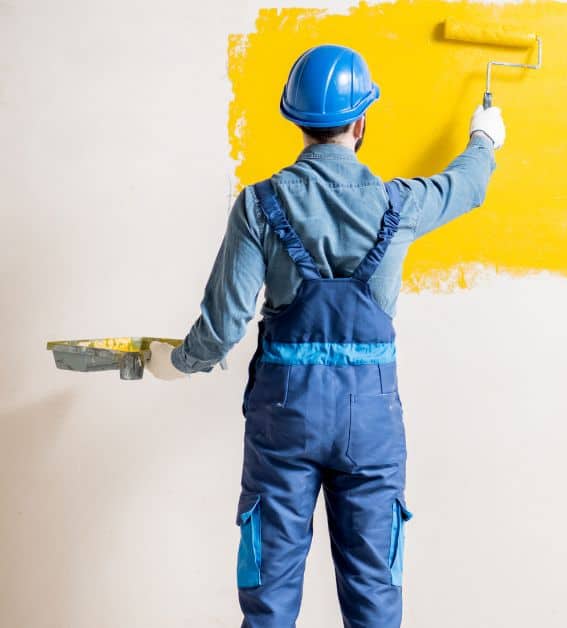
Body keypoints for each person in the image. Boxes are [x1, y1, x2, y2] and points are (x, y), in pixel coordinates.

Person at [145, 43, 505, 627]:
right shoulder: (401, 203)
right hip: (372, 422)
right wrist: (484, 139)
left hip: (284, 419)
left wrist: (175, 362)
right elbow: (466, 186)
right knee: (374, 597)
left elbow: (222, 326)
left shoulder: (260, 205)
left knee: (269, 596)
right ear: (361, 122)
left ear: (295, 121)